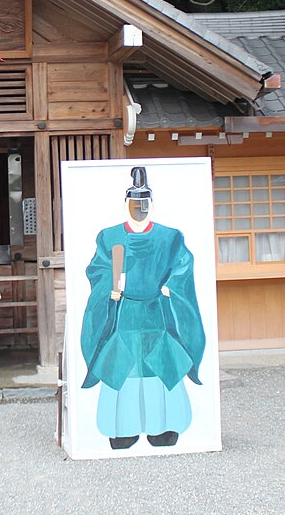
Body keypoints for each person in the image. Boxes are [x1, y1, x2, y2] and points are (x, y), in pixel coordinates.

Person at [79, 166, 206, 449]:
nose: (140, 209)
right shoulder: (109, 237)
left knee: (160, 370)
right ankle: (122, 430)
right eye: (135, 204)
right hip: (124, 316)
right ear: (126, 204)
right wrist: (110, 288)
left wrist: (171, 285)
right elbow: (98, 268)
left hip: (157, 314)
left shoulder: (170, 237)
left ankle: (163, 429)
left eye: (144, 204)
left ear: (152, 204)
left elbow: (183, 265)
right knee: (122, 370)